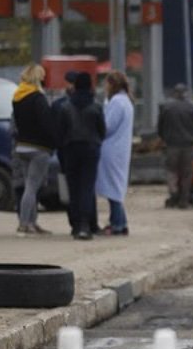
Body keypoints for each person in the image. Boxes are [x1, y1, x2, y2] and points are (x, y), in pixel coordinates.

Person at [56, 71, 106, 240]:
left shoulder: (65, 107)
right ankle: (86, 224)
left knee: (73, 187)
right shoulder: (96, 106)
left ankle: (76, 225)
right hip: (91, 150)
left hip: (70, 150)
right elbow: (102, 131)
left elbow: (60, 133)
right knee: (87, 187)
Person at [11, 63, 56, 236]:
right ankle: (24, 224)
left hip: (22, 146)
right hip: (39, 147)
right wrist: (54, 142)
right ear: (38, 78)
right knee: (32, 187)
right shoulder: (38, 98)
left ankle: (31, 223)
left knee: (29, 186)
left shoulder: (17, 97)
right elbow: (46, 124)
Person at [96, 70, 134, 235]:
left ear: (111, 84)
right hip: (120, 150)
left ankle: (117, 223)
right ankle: (121, 222)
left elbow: (107, 126)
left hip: (111, 150)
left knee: (113, 189)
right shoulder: (126, 101)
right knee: (116, 187)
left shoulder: (117, 102)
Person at [158, 83, 193, 208]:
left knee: (171, 171)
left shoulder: (166, 108)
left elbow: (160, 127)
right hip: (189, 146)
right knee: (187, 174)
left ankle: (174, 194)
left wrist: (164, 139)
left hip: (171, 146)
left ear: (174, 93)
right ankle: (184, 200)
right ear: (185, 94)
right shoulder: (191, 108)